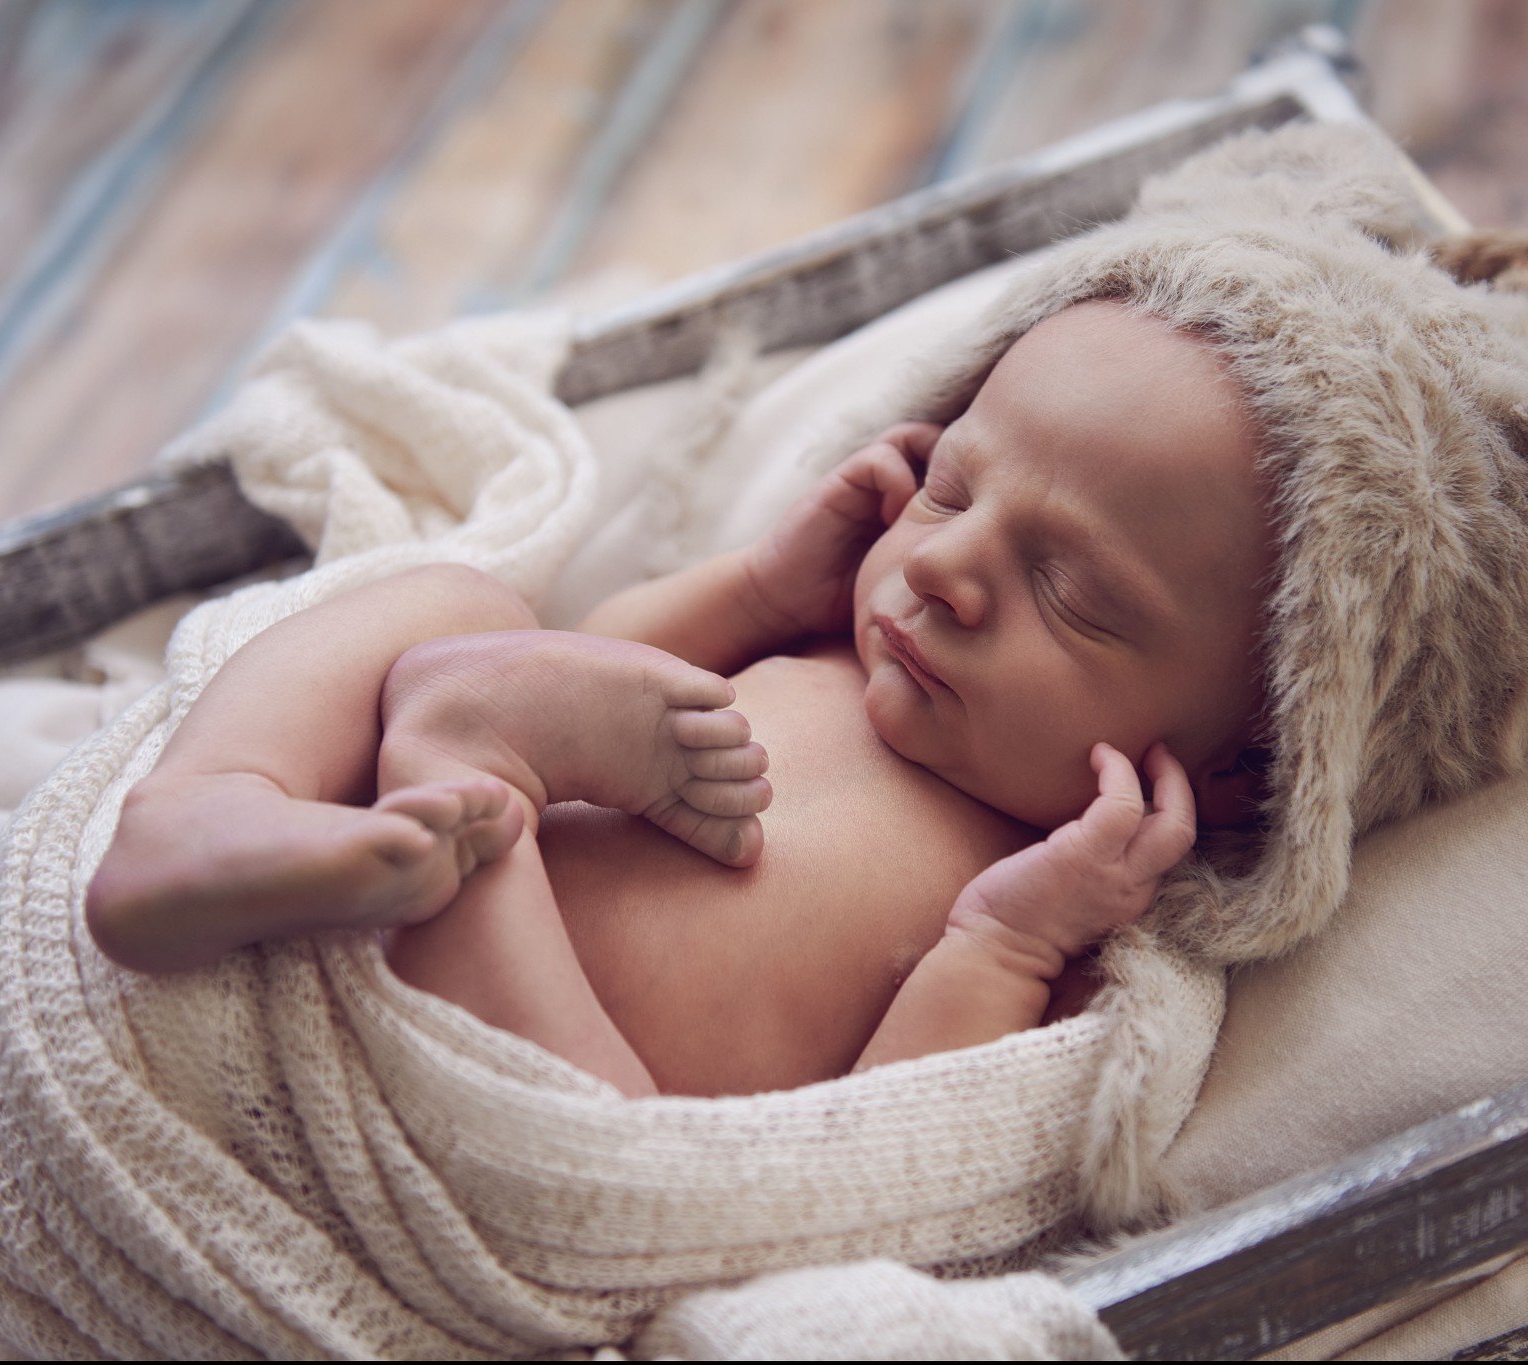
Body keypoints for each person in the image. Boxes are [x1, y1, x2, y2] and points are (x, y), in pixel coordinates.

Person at [84, 298, 1278, 1098]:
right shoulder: (837, 656)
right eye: (950, 492)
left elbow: (891, 1140)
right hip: (338, 884)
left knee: (463, 701)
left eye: (1072, 593)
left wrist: (1006, 940)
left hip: (540, 1085)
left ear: (1234, 768)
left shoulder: (1068, 915)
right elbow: (581, 668)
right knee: (453, 605)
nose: (942, 571)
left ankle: (459, 759)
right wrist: (755, 595)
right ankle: (212, 805)